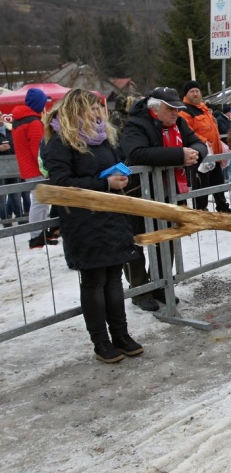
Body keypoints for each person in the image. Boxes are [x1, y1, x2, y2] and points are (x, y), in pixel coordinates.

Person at [41, 88, 142, 363]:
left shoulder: (102, 138)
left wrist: (119, 175)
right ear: (76, 111)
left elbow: (113, 164)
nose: (98, 113)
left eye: (98, 109)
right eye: (92, 109)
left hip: (111, 216)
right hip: (84, 221)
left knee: (113, 277)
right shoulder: (60, 142)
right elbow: (60, 184)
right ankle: (101, 341)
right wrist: (103, 183)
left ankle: (121, 335)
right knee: (94, 281)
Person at [121, 87, 207, 311]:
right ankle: (139, 290)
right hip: (137, 194)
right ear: (155, 108)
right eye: (171, 109)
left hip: (168, 193)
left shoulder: (179, 124)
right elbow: (137, 153)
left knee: (166, 238)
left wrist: (194, 153)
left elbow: (198, 143)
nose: (175, 113)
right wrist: (179, 155)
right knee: (136, 241)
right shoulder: (136, 125)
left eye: (178, 109)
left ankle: (160, 283)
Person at [179, 81, 231, 214]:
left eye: (197, 91)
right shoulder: (184, 111)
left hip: (214, 154)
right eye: (192, 91)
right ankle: (200, 210)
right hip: (200, 154)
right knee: (201, 184)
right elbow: (188, 132)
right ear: (186, 94)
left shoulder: (203, 108)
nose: (195, 93)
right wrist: (204, 143)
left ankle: (223, 208)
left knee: (218, 181)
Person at [11, 87, 58, 248]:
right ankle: (37, 235)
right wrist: (47, 168)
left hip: (28, 167)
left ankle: (41, 232)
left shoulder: (19, 120)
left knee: (40, 201)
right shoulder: (33, 122)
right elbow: (39, 151)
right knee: (40, 202)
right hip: (36, 168)